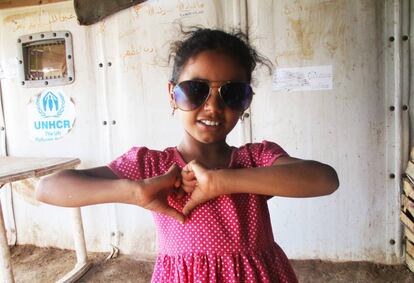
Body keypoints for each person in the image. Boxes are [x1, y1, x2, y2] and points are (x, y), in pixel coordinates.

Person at [37, 27, 339, 283]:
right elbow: (48, 188)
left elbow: (324, 180)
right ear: (172, 93)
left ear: (246, 102)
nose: (212, 106)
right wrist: (133, 191)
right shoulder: (153, 166)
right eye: (196, 90)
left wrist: (224, 183)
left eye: (232, 93)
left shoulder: (254, 159)